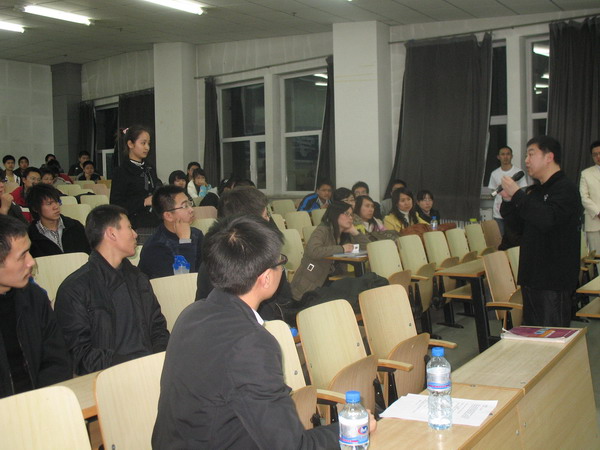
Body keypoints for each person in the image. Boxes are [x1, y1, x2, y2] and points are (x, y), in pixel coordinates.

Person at [152, 214, 346, 448]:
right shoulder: (252, 343)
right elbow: (290, 446)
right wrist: (352, 427)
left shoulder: (191, 314)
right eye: (280, 261)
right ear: (266, 278)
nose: (282, 268)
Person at [54, 204, 169, 375]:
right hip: (107, 377)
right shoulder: (74, 289)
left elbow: (158, 328)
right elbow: (79, 355)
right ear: (111, 233)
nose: (135, 234)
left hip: (149, 370)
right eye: (129, 228)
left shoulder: (138, 278)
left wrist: (158, 361)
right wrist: (131, 366)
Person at [500, 136, 581, 327]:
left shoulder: (565, 188)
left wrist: (518, 194)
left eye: (531, 154)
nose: (526, 160)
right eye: (526, 155)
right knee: (533, 334)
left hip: (553, 280)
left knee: (552, 335)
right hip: (532, 276)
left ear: (549, 157)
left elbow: (548, 220)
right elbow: (517, 227)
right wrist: (509, 201)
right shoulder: (535, 191)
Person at [195, 187, 295, 321]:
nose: (269, 221)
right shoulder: (258, 263)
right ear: (251, 225)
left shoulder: (215, 258)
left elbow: (285, 302)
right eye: (265, 216)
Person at [0, 215, 72, 398]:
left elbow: (58, 361)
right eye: (22, 256)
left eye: (29, 252)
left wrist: (38, 402)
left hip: (40, 402)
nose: (31, 262)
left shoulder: (35, 298)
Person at [291, 201, 370, 301]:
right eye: (347, 214)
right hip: (310, 286)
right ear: (335, 214)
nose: (350, 218)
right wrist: (342, 249)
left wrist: (354, 232)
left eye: (351, 215)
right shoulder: (322, 230)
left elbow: (368, 248)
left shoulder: (345, 234)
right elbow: (313, 250)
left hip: (331, 281)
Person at [138, 185, 203, 279]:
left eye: (190, 204)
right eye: (185, 206)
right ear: (168, 216)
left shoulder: (197, 234)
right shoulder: (155, 247)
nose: (191, 210)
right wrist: (185, 241)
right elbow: (181, 281)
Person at [109, 126, 162, 236]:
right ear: (130, 144)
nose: (147, 147)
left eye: (148, 143)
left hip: (155, 221)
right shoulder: (122, 171)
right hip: (135, 225)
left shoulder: (149, 168)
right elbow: (116, 205)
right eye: (143, 143)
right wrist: (143, 202)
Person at [25, 184, 90, 258]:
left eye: (57, 201)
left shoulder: (75, 226)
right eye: (49, 204)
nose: (56, 207)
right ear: (35, 208)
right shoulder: (30, 235)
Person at [488, 146, 527, 235]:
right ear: (498, 157)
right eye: (503, 154)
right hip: (498, 213)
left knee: (514, 237)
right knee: (500, 238)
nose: (505, 157)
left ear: (511, 156)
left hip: (514, 213)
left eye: (508, 154)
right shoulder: (494, 174)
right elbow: (493, 192)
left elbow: (523, 191)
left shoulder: (519, 172)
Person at [580, 140, 600, 259]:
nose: (598, 157)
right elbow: (584, 197)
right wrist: (598, 212)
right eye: (595, 154)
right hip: (594, 220)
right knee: (597, 256)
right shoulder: (586, 174)